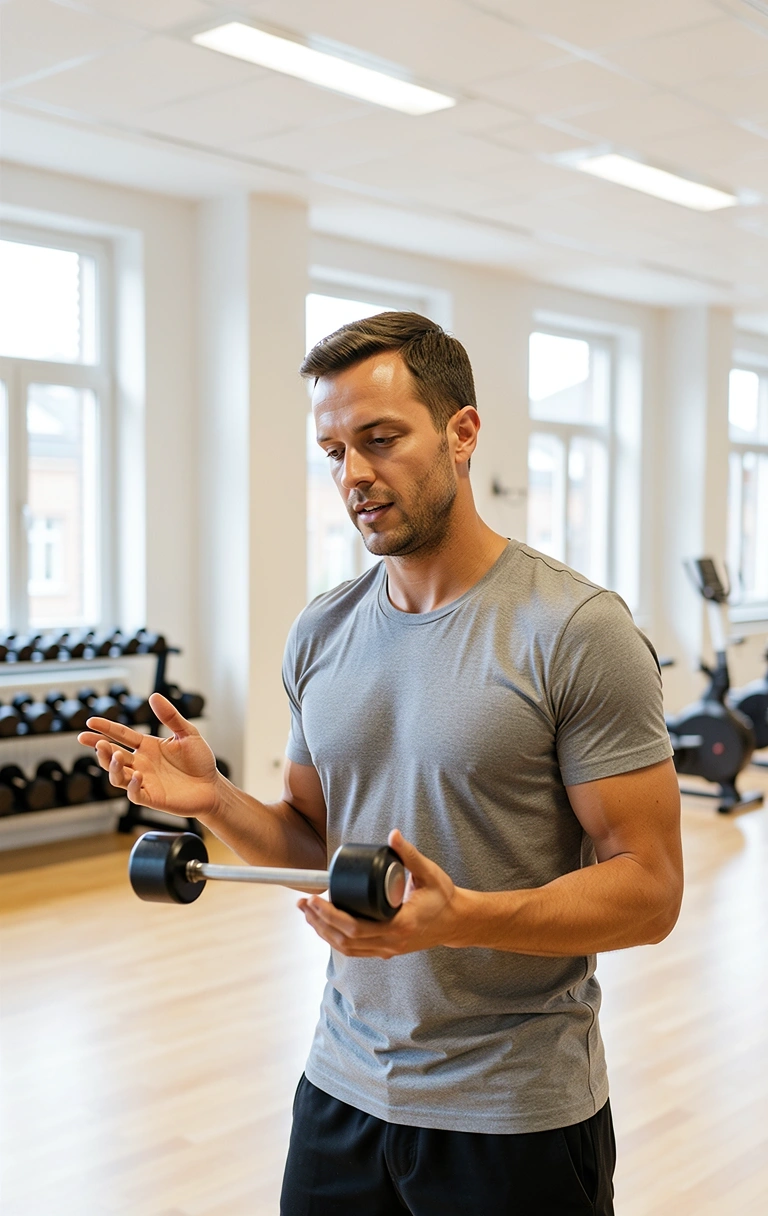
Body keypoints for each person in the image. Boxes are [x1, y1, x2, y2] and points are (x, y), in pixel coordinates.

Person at [80, 312, 683, 1215]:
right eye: (333, 450)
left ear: (462, 432)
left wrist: (458, 918)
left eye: (380, 439)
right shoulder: (321, 632)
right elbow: (313, 843)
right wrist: (214, 800)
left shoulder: (573, 630)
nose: (353, 475)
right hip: (341, 1091)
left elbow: (650, 889)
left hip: (513, 1111)